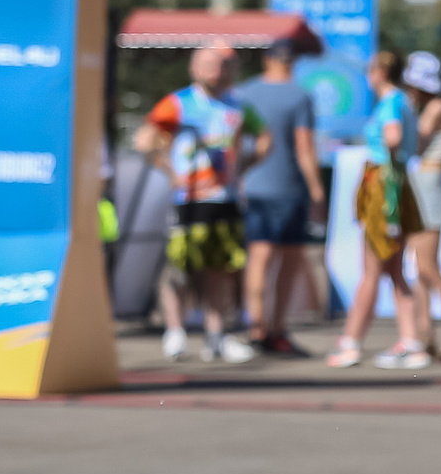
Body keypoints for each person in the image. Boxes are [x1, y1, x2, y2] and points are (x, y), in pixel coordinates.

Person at [136, 43, 265, 364]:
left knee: (220, 270)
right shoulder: (178, 103)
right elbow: (145, 140)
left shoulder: (236, 105)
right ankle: (175, 331)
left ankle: (216, 337)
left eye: (219, 64)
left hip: (225, 200)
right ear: (194, 68)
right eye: (206, 64)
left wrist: (242, 168)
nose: (214, 70)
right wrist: (170, 171)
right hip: (189, 200)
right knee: (179, 267)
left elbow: (265, 139)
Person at [327, 52, 426, 370]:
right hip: (394, 188)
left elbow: (394, 137)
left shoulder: (391, 103)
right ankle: (412, 342)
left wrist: (385, 165)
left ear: (381, 71)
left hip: (385, 191)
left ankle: (351, 341)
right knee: (395, 271)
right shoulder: (403, 102)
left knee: (371, 271)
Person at [236, 37, 326, 357]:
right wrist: (317, 189)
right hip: (288, 188)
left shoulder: (244, 92)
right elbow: (304, 149)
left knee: (258, 259)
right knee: (287, 262)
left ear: (266, 60)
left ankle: (255, 326)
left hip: (253, 186)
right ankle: (276, 329)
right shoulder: (299, 96)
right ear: (292, 63)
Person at [401, 50, 441, 361]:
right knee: (420, 268)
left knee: (428, 267)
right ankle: (426, 333)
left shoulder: (436, 107)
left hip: (428, 188)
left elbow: (417, 142)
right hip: (424, 188)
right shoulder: (437, 106)